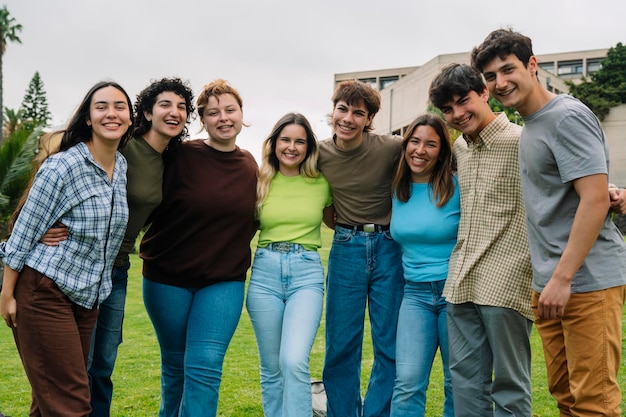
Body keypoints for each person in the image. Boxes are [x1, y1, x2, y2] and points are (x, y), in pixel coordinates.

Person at [472, 28, 626, 416]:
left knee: (594, 403)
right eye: (491, 77)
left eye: (508, 70)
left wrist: (562, 278)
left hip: (585, 282)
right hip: (549, 286)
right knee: (566, 397)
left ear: (532, 65)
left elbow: (593, 200)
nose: (500, 82)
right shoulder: (531, 125)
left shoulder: (567, 116)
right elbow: (582, 190)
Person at [39, 77, 195, 417]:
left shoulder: (172, 159)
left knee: (103, 365)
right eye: (166, 104)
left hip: (117, 271)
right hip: (76, 266)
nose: (175, 112)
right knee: (75, 366)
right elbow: (57, 170)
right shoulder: (122, 144)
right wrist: (38, 227)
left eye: (182, 107)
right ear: (147, 112)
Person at [0, 81, 133, 416]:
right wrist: (7, 294)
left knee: (49, 404)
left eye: (120, 106)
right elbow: (24, 231)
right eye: (101, 106)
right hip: (45, 292)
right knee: (71, 403)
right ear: (88, 117)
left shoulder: (121, 168)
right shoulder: (63, 165)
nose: (111, 113)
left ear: (130, 118)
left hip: (86, 299)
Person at [139, 79, 258, 417]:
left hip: (222, 282)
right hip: (167, 279)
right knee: (175, 369)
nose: (223, 118)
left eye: (230, 110)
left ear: (241, 115)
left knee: (205, 367)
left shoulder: (250, 166)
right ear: (202, 120)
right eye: (213, 112)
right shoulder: (179, 154)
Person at [428, 63, 535, 417]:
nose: (457, 114)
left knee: (509, 387)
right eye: (448, 109)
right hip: (460, 282)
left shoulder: (523, 141)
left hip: (507, 283)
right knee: (465, 385)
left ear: (484, 93)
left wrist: (613, 191)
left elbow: (569, 185)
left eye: (464, 101)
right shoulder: (460, 147)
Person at [318, 79, 404, 417]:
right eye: (343, 109)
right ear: (333, 109)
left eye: (358, 113)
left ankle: (377, 413)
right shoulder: (320, 152)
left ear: (369, 119)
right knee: (341, 346)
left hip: (389, 248)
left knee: (389, 345)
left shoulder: (390, 147)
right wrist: (338, 223)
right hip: (346, 248)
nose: (348, 119)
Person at [246, 112, 333, 417]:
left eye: (300, 141)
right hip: (264, 275)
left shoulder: (322, 183)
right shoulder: (259, 181)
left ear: (309, 147)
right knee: (271, 368)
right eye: (286, 139)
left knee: (294, 360)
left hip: (305, 274)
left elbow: (339, 219)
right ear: (274, 143)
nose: (292, 147)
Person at [389, 114, 459, 417]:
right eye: (415, 141)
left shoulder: (457, 186)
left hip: (455, 295)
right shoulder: (396, 188)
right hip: (415, 295)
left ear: (442, 151)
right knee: (407, 383)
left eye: (431, 144)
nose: (420, 150)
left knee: (457, 383)